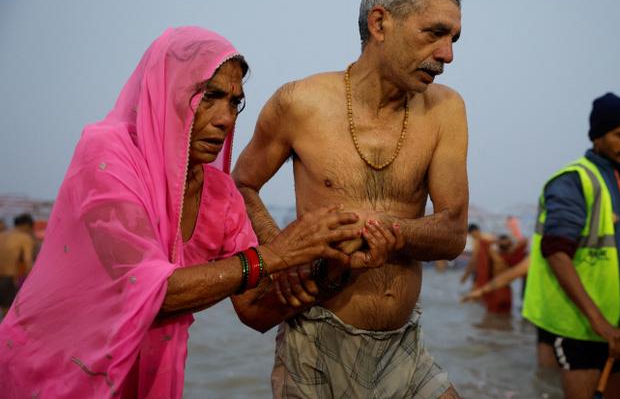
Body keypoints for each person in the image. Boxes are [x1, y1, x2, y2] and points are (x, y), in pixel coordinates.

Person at [0, 27, 376, 398]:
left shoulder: (220, 194)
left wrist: (332, 267)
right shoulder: (107, 157)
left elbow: (254, 310)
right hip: (51, 373)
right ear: (166, 94)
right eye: (210, 97)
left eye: (234, 103)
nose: (226, 118)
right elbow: (151, 293)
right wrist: (277, 254)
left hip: (146, 378)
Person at [232, 0, 467, 397]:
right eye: (434, 33)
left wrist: (389, 232)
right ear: (380, 22)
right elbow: (241, 185)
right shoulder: (299, 103)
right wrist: (280, 254)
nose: (447, 54)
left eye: (453, 38)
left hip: (404, 346)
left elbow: (453, 233)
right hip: (314, 342)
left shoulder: (446, 110)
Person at [522, 93, 620, 399]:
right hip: (583, 328)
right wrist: (600, 323)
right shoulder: (574, 181)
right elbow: (556, 253)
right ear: (598, 136)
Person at [0, 213, 34, 317]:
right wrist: (32, 283)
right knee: (8, 316)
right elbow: (28, 261)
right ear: (27, 225)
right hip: (8, 279)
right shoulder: (24, 238)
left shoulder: (2, 235)